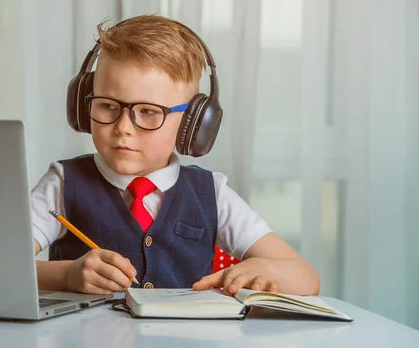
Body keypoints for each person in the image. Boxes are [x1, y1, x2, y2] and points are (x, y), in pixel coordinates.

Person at [31, 15, 320, 296]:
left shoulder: (211, 194)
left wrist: (265, 269)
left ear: (194, 124)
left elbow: (307, 278)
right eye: (107, 105)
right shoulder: (63, 184)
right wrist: (66, 276)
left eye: (148, 112)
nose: (123, 128)